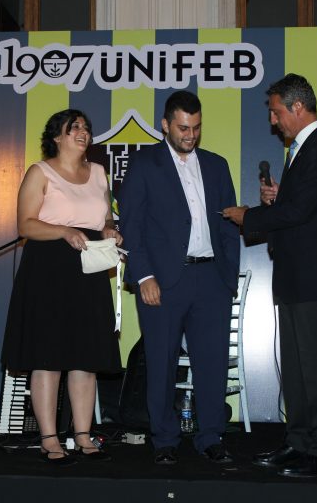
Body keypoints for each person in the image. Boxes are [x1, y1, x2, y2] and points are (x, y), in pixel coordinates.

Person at [223, 73, 317, 477]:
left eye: (276, 112)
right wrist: (280, 199)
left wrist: (250, 217)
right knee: (295, 367)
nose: (273, 121)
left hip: (313, 276)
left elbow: (300, 212)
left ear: (297, 107)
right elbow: (302, 205)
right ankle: (298, 442)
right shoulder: (303, 149)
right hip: (297, 275)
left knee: (314, 366)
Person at [118, 90, 241, 466]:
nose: (191, 135)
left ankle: (211, 437)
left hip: (211, 280)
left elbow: (228, 225)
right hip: (162, 281)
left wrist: (227, 277)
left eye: (197, 127)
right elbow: (131, 225)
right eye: (184, 128)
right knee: (161, 362)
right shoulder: (144, 164)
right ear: (166, 125)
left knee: (212, 363)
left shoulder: (217, 165)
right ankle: (165, 440)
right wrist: (144, 276)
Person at [1, 109, 122, 465]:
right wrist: (63, 231)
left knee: (86, 357)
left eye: (86, 127)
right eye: (74, 128)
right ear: (56, 137)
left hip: (89, 268)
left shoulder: (98, 172)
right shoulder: (40, 172)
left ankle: (83, 436)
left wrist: (110, 228)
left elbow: (105, 216)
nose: (83, 132)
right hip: (48, 269)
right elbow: (25, 225)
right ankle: (49, 439)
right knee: (48, 357)